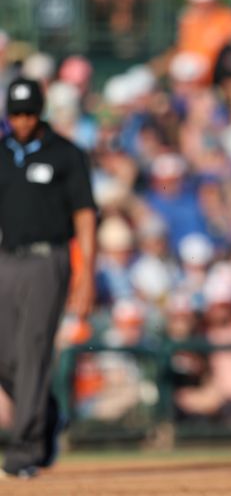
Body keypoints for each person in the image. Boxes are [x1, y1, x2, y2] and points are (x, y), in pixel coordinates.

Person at [0, 78, 97, 479]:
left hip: (48, 260)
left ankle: (24, 452)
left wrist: (86, 272)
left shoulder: (66, 153)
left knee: (33, 351)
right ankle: (47, 412)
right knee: (7, 355)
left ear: (40, 112)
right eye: (15, 114)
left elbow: (85, 215)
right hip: (6, 259)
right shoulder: (2, 152)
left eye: (28, 113)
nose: (21, 121)